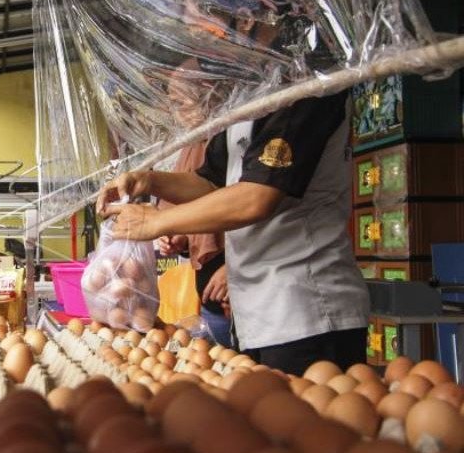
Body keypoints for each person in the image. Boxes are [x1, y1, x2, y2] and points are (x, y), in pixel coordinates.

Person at [98, 90, 370, 376]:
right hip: (256, 310)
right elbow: (210, 182)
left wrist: (159, 221)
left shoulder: (306, 88)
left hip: (306, 306)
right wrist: (149, 180)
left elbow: (257, 197)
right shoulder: (248, 96)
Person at [157, 59, 232, 346]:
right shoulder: (192, 147)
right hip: (212, 295)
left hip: (244, 287)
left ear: (209, 92)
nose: (177, 112)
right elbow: (197, 208)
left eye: (182, 101)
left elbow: (249, 207)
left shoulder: (226, 138)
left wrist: (233, 269)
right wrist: (179, 235)